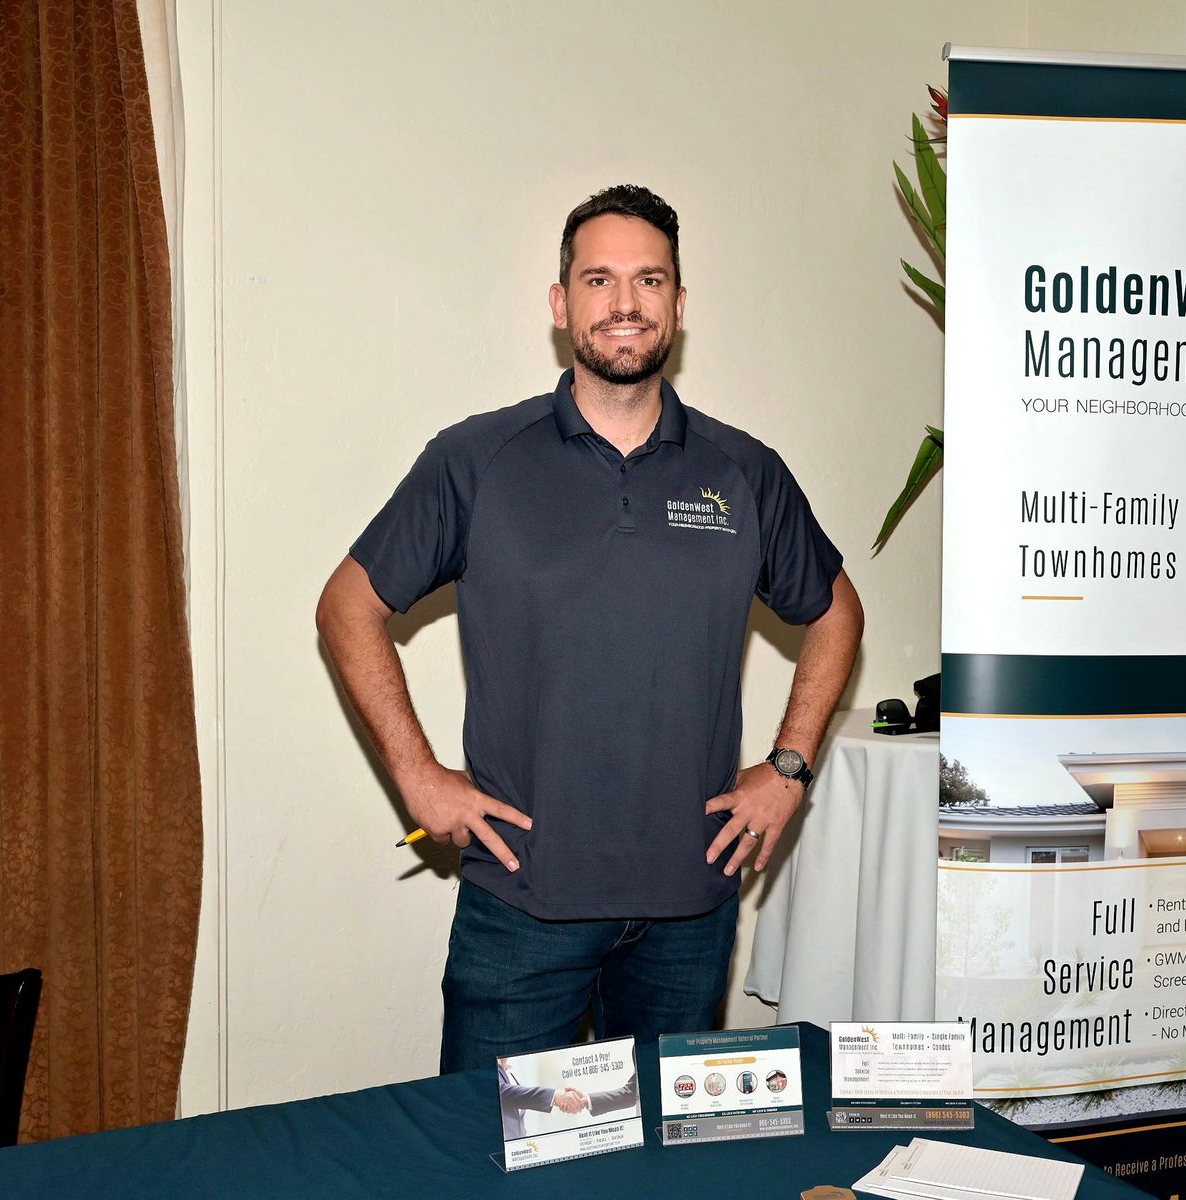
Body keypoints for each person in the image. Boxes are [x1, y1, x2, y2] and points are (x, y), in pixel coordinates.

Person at [316, 184, 863, 1075]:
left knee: (660, 1151)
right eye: (598, 279)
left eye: (650, 280)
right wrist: (416, 776)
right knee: (495, 1148)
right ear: (561, 303)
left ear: (678, 306)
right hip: (523, 907)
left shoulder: (743, 470)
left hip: (690, 911)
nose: (624, 303)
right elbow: (348, 606)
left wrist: (789, 768)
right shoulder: (476, 461)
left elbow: (837, 613)